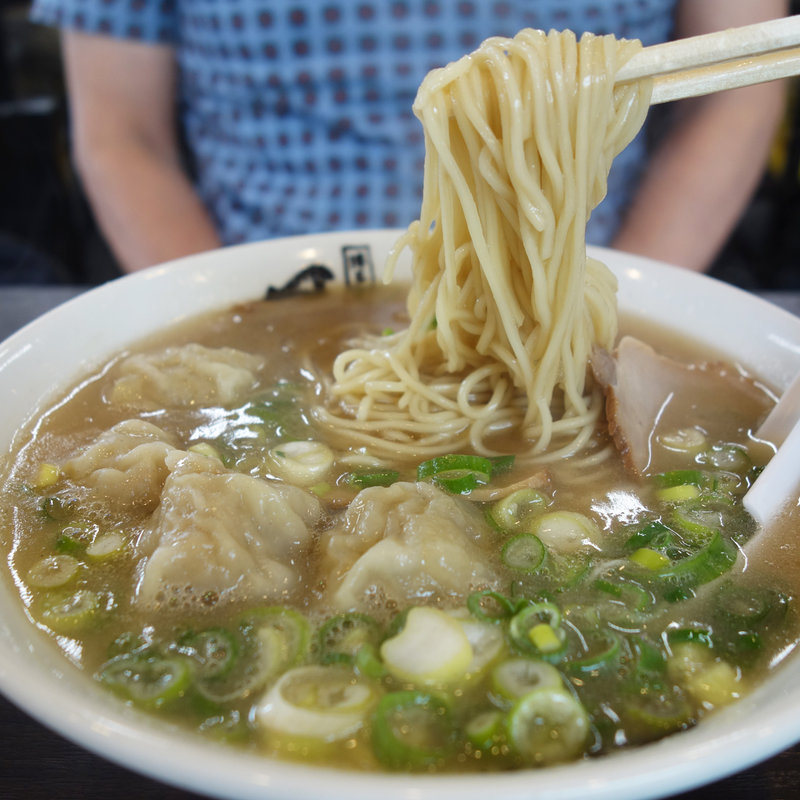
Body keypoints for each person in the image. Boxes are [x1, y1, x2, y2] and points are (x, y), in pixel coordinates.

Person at [30, 0, 788, 276]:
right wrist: (231, 327)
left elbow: (744, 73)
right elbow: (122, 131)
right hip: (260, 272)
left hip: (594, 263)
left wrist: (616, 310)